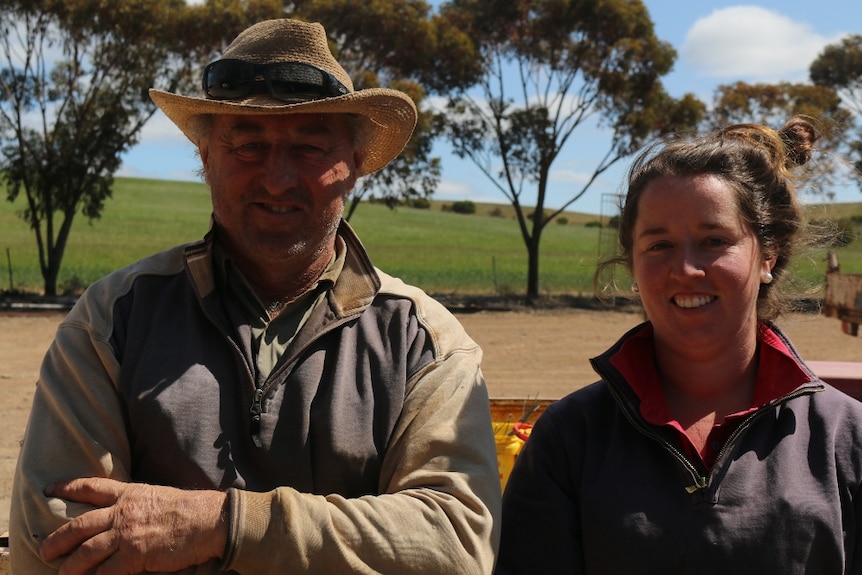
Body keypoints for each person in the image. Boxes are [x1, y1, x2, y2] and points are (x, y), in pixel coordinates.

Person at [10, 18, 501, 574]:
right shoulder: (110, 322)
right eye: (247, 144)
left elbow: (455, 547)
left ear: (356, 165)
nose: (277, 177)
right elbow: (55, 542)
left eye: (311, 146)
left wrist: (220, 524)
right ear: (205, 157)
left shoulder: (424, 342)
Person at [495, 117, 862, 574]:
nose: (686, 268)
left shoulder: (845, 439)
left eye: (714, 240)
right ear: (633, 263)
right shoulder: (572, 438)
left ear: (768, 254)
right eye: (660, 245)